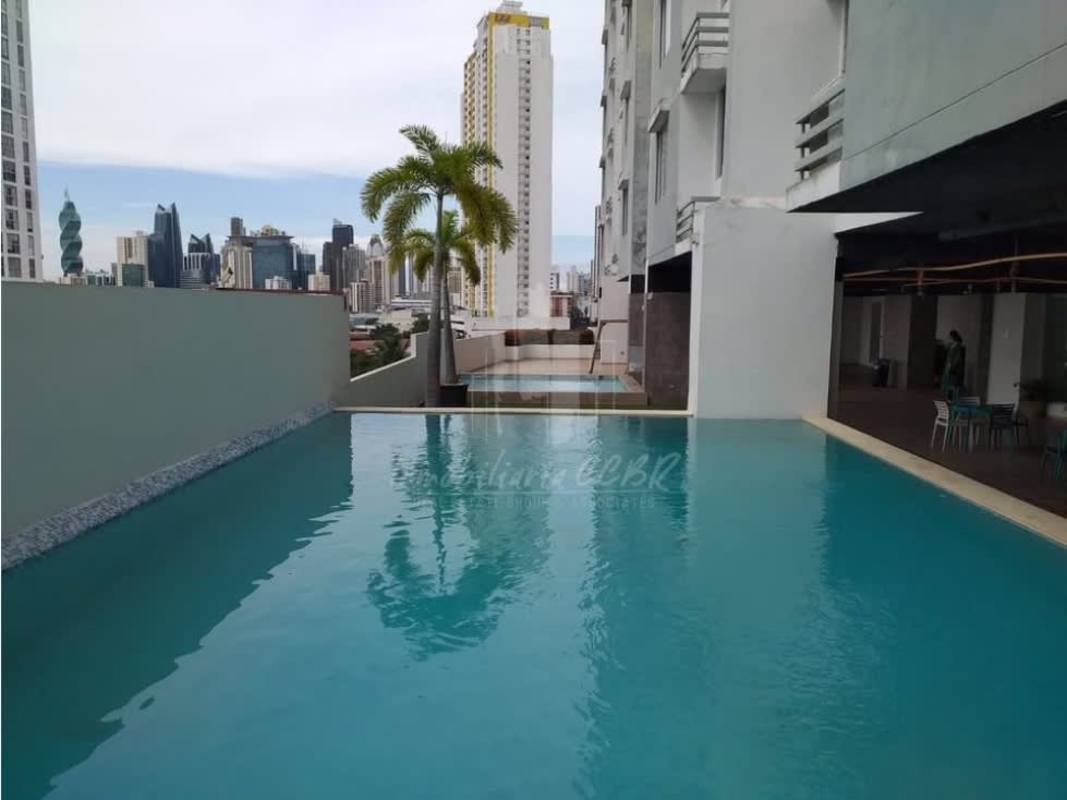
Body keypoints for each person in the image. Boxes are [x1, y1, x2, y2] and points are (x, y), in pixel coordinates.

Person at [941, 329, 966, 399]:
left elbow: (957, 359)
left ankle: (951, 399)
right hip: (949, 366)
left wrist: (952, 366)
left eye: (950, 336)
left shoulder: (957, 346)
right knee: (947, 383)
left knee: (952, 384)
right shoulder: (952, 345)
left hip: (953, 368)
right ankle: (948, 397)